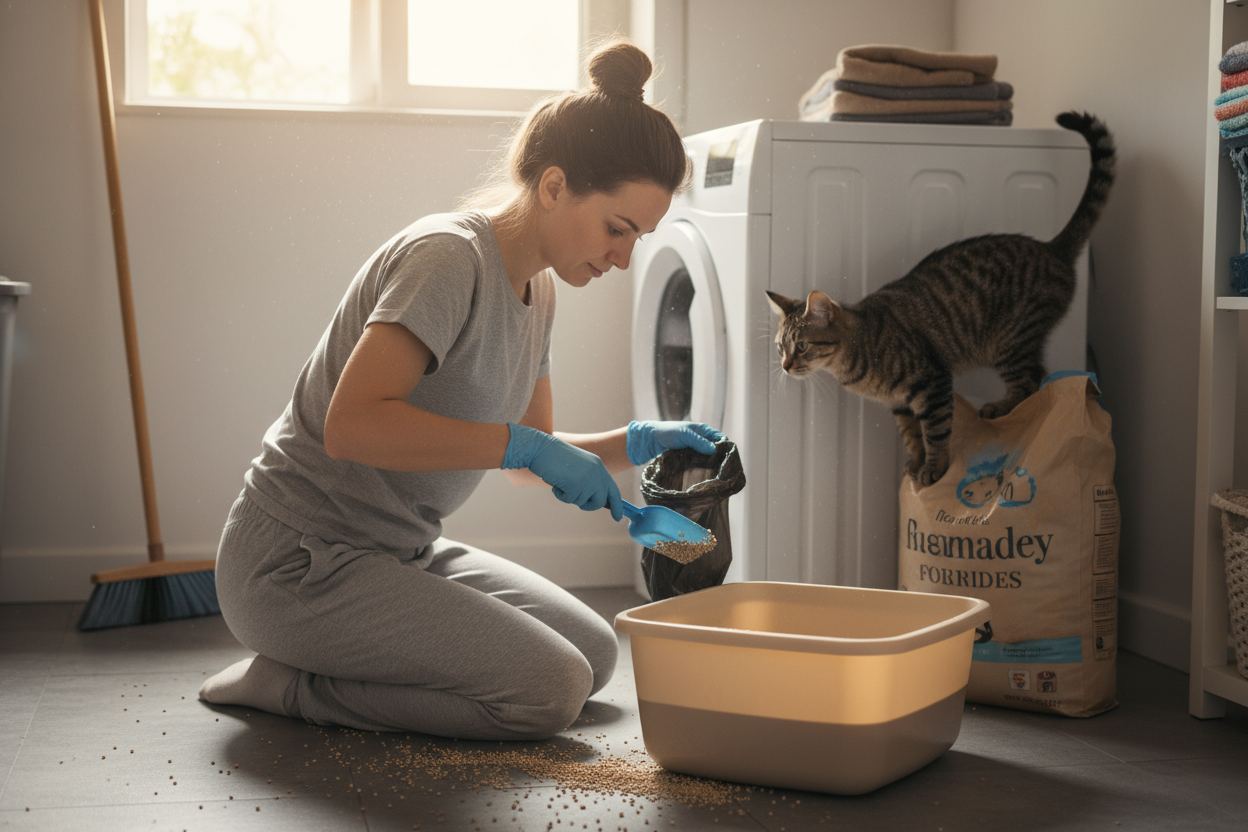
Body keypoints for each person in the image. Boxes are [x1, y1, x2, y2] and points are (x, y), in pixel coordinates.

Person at [198, 40, 725, 741]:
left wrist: (633, 443)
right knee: (550, 691)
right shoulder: (448, 259)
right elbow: (351, 426)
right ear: (554, 185)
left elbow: (525, 459)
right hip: (298, 562)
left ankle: (336, 664)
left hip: (402, 551)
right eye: (617, 229)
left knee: (595, 655)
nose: (624, 258)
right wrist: (529, 448)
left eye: (640, 238)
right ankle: (292, 684)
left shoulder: (541, 293)